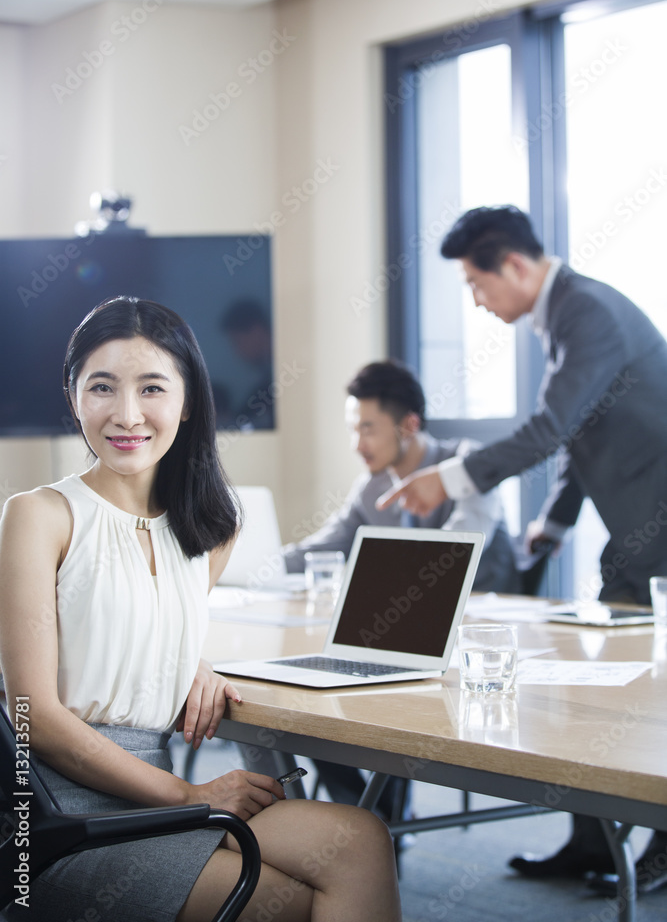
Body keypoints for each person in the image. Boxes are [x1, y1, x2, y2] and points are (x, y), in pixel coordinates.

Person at [0, 296, 401, 922]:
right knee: (290, 902)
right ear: (74, 396)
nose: (126, 413)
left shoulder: (210, 529)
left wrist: (191, 661)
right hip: (59, 818)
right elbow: (33, 719)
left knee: (361, 840)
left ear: (187, 402)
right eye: (101, 387)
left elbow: (145, 622)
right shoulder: (39, 515)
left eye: (152, 388)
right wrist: (190, 793)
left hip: (159, 795)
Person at [377, 205, 667, 893]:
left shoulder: (586, 311)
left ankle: (654, 846)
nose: (476, 302)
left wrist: (445, 478)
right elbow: (583, 432)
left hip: (655, 524)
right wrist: (555, 524)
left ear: (512, 265)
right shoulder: (570, 314)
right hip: (634, 526)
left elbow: (548, 428)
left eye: (476, 285)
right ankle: (593, 842)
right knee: (600, 678)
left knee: (650, 691)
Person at [280, 359, 518, 819]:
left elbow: (459, 547)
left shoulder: (464, 464)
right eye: (354, 429)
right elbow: (326, 545)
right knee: (304, 708)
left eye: (368, 429)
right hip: (402, 639)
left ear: (409, 425)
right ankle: (372, 818)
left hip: (478, 645)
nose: (358, 444)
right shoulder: (371, 487)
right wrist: (255, 559)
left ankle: (376, 818)